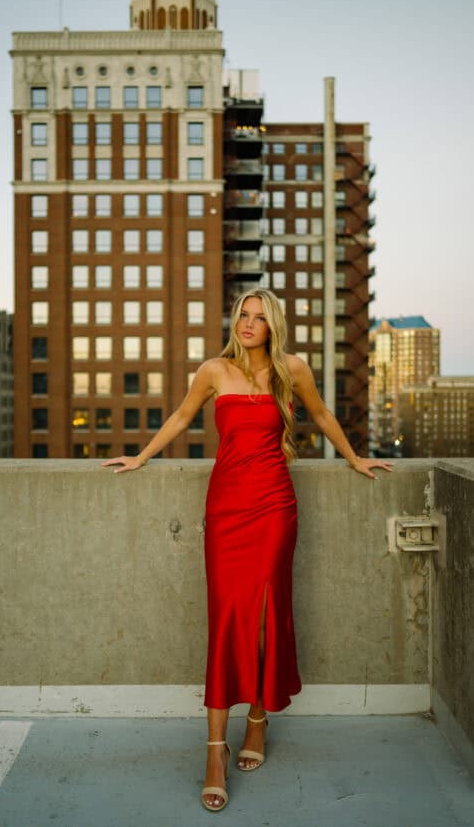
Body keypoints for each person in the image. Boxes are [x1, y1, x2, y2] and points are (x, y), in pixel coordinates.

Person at [102, 287, 392, 812]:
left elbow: (324, 418)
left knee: (265, 614)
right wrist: (141, 456)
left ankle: (257, 720)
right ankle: (215, 749)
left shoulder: (291, 370)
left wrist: (355, 459)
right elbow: (181, 418)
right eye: (243, 315)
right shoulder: (214, 370)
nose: (249, 323)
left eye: (259, 317)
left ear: (272, 325)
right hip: (227, 509)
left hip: (275, 508)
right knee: (228, 618)